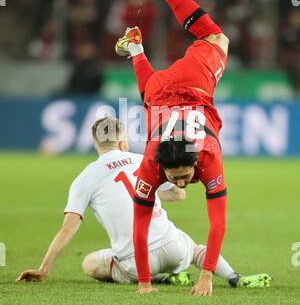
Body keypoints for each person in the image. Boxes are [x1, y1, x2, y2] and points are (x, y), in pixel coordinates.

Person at [16, 117, 271, 289]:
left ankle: (160, 279)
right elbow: (179, 194)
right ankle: (234, 277)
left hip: (136, 263)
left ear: (96, 144)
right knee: (194, 249)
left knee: (89, 263)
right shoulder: (143, 161)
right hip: (174, 248)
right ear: (122, 142)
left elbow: (68, 228)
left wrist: (43, 269)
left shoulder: (85, 177)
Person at [115, 0, 232, 296]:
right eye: (177, 177)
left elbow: (218, 223)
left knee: (216, 38)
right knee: (153, 96)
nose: (182, 182)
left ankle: (152, 0)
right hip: (168, 91)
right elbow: (139, 226)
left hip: (185, 86)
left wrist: (206, 274)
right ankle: (142, 26)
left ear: (195, 162)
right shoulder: (154, 164)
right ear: (162, 166)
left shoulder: (204, 158)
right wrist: (145, 282)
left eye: (182, 176)